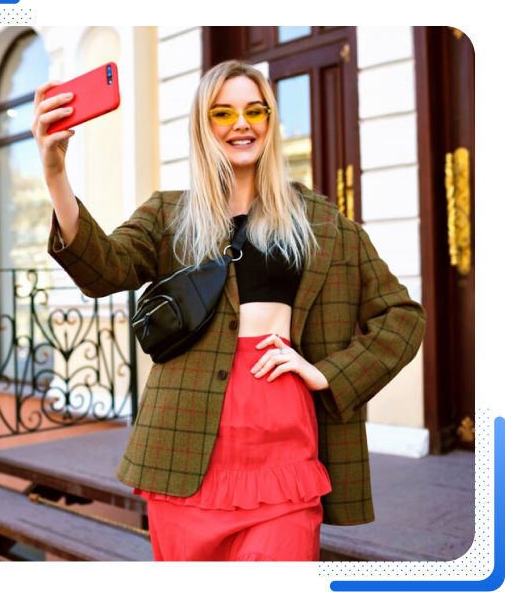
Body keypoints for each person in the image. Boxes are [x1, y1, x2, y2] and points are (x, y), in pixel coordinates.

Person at [32, 59, 427, 562]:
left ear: (270, 120)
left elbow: (401, 314)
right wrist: (55, 173)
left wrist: (328, 374)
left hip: (284, 439)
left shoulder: (322, 222)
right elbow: (104, 271)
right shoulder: (169, 214)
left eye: (253, 110)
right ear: (204, 126)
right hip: (183, 442)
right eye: (222, 113)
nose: (241, 124)